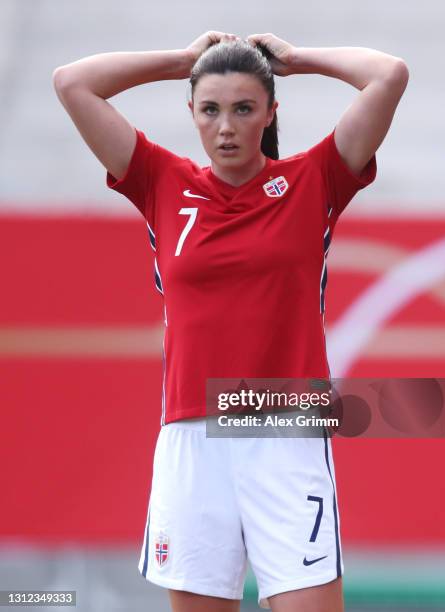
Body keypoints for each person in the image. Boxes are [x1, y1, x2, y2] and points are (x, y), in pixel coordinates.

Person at [53, 31, 408, 612]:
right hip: (192, 439)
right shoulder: (162, 181)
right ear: (190, 112)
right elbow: (72, 83)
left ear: (270, 112)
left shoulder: (314, 178)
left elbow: (388, 73)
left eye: (244, 109)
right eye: (210, 109)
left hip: (286, 432)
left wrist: (297, 60)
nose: (226, 127)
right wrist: (180, 62)